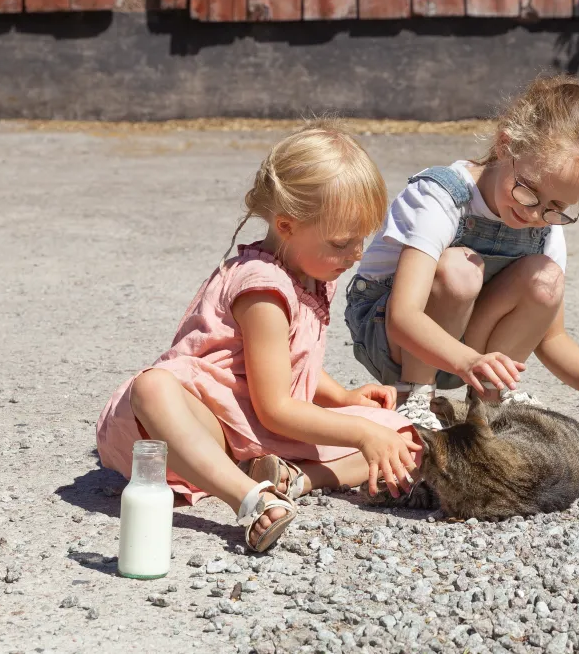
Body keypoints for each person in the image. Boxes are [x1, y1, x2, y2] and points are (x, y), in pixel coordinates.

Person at [96, 123, 421, 552]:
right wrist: (360, 433)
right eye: (343, 242)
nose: (356, 254)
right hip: (195, 425)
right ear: (287, 225)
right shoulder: (263, 290)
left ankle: (293, 478)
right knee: (153, 386)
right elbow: (275, 409)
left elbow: (291, 363)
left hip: (247, 431)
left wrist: (342, 399)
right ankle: (249, 498)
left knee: (406, 441)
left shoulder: (313, 269)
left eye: (362, 239)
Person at [345, 74, 579, 430]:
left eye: (556, 206)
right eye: (528, 190)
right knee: (460, 270)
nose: (534, 213)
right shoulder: (441, 197)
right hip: (390, 338)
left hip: (467, 354)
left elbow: (551, 336)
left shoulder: (544, 224)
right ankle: (414, 394)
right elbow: (403, 316)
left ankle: (490, 399)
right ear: (506, 145)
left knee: (546, 279)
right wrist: (468, 360)